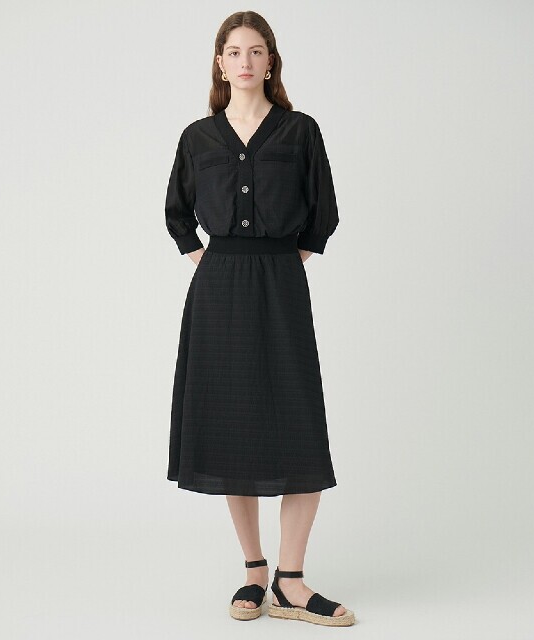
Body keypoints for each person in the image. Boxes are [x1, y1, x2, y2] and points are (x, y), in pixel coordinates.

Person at [164, 11, 355, 627]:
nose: (245, 61)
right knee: (232, 427)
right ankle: (254, 571)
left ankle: (290, 580)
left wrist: (286, 258)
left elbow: (323, 212)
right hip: (217, 289)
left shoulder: (300, 130)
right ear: (220, 64)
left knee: (299, 424)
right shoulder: (198, 137)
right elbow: (176, 211)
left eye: (256, 50)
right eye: (234, 51)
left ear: (271, 60)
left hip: (281, 283)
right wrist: (205, 257)